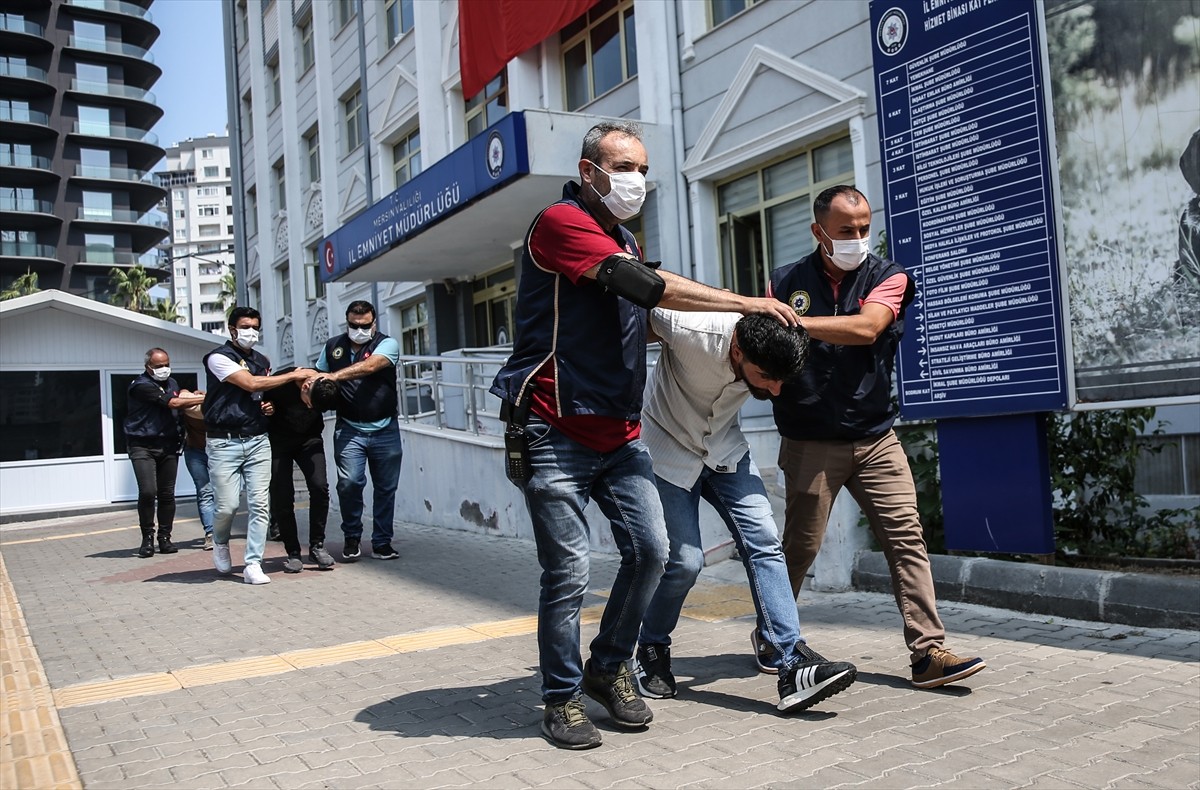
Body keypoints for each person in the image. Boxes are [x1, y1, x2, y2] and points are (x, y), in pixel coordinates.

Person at [490, 120, 799, 750]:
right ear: (588, 171)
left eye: (641, 168)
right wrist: (744, 303)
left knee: (655, 554)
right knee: (569, 571)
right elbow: (645, 288)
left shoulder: (622, 235)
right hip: (555, 426)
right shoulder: (560, 223)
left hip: (620, 433)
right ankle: (561, 698)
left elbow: (644, 311)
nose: (637, 180)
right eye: (623, 167)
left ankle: (608, 668)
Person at [767, 185, 986, 689]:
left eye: (865, 227)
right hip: (809, 439)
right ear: (819, 231)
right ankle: (774, 635)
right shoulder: (784, 281)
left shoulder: (888, 275)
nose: (858, 238)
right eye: (847, 231)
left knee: (906, 538)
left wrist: (794, 322)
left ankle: (928, 653)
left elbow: (868, 328)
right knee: (800, 547)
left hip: (875, 437)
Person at [633, 310, 857, 712]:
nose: (774, 390)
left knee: (766, 542)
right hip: (666, 451)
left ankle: (792, 663)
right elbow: (636, 313)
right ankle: (650, 648)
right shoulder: (690, 329)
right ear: (737, 350)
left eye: (780, 381)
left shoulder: (773, 352)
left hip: (725, 451)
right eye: (766, 377)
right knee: (684, 562)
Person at [203, 307, 313, 585]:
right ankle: (220, 541)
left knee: (260, 504)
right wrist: (293, 375)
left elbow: (260, 391)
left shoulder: (262, 359)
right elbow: (250, 384)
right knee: (226, 507)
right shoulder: (218, 357)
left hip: (257, 441)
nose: (251, 332)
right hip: (223, 442)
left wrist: (267, 405)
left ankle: (253, 563)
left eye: (255, 327)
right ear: (231, 330)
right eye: (245, 326)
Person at [311, 301, 403, 562]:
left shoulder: (387, 344)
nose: (359, 329)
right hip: (349, 428)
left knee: (386, 488)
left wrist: (334, 376)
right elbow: (317, 376)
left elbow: (372, 366)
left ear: (374, 323)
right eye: (354, 325)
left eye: (365, 325)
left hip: (385, 429)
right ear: (347, 322)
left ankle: (382, 542)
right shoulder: (332, 347)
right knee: (349, 484)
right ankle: (352, 538)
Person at [124, 348, 204, 557]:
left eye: (166, 364)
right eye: (158, 366)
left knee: (167, 494)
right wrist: (207, 399)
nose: (164, 369)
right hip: (142, 446)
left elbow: (178, 396)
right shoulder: (140, 386)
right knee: (149, 491)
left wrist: (192, 395)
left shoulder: (172, 383)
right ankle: (147, 539)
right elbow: (173, 402)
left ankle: (165, 538)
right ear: (148, 367)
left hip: (168, 445)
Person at [263, 367, 335, 573]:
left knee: (320, 487)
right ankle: (293, 552)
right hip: (279, 442)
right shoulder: (280, 382)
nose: (309, 407)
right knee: (282, 494)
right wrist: (266, 408)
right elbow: (259, 400)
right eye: (308, 402)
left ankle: (317, 546)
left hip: (310, 440)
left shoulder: (325, 381)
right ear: (305, 387)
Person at [180, 402, 215, 550]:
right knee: (205, 491)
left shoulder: (217, 410)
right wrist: (203, 397)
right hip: (195, 453)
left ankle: (219, 532)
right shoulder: (189, 407)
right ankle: (211, 533)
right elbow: (182, 394)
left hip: (217, 452)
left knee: (225, 494)